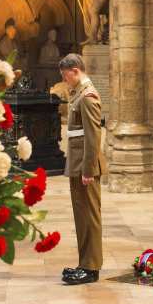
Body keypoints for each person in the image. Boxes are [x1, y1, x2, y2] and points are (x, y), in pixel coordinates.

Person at [59, 53, 106, 285]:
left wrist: (88, 169)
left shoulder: (87, 96)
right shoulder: (78, 92)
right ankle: (84, 263)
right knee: (81, 214)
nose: (65, 80)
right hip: (77, 162)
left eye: (66, 76)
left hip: (85, 165)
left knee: (89, 215)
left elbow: (92, 136)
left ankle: (91, 267)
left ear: (75, 70)